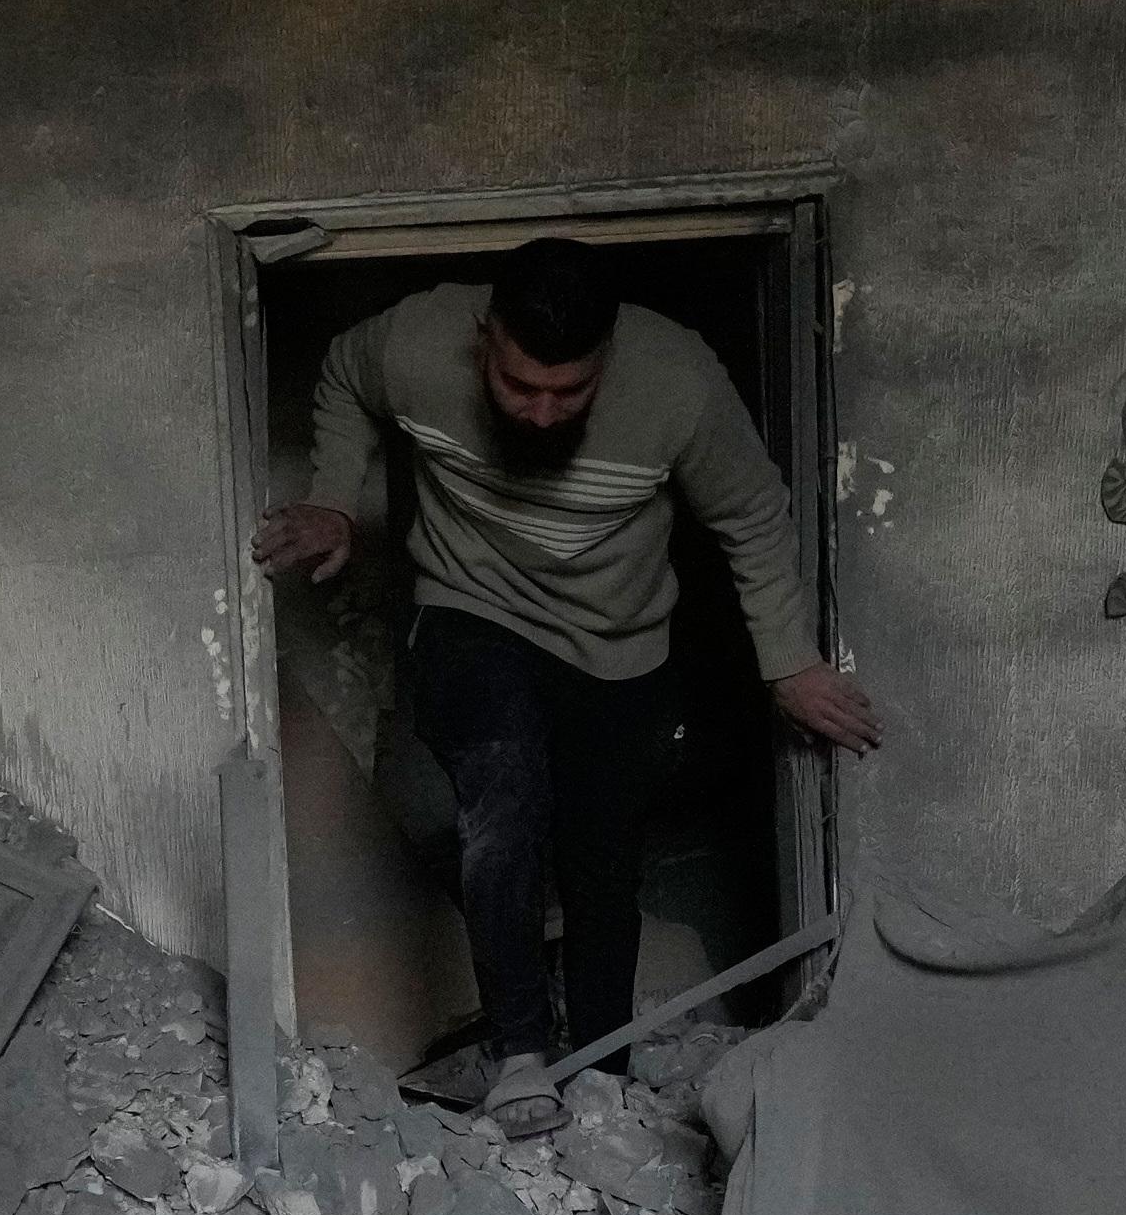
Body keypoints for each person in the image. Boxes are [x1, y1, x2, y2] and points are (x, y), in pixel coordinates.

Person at [250, 239, 881, 1132]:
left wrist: (789, 663)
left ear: (608, 358)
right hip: (469, 605)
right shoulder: (412, 343)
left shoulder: (676, 381)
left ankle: (602, 1075)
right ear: (483, 342)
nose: (543, 417)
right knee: (502, 790)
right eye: (519, 387)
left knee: (600, 854)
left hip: (620, 643)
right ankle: (519, 1057)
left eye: (569, 393)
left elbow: (750, 512)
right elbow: (344, 379)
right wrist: (334, 500)